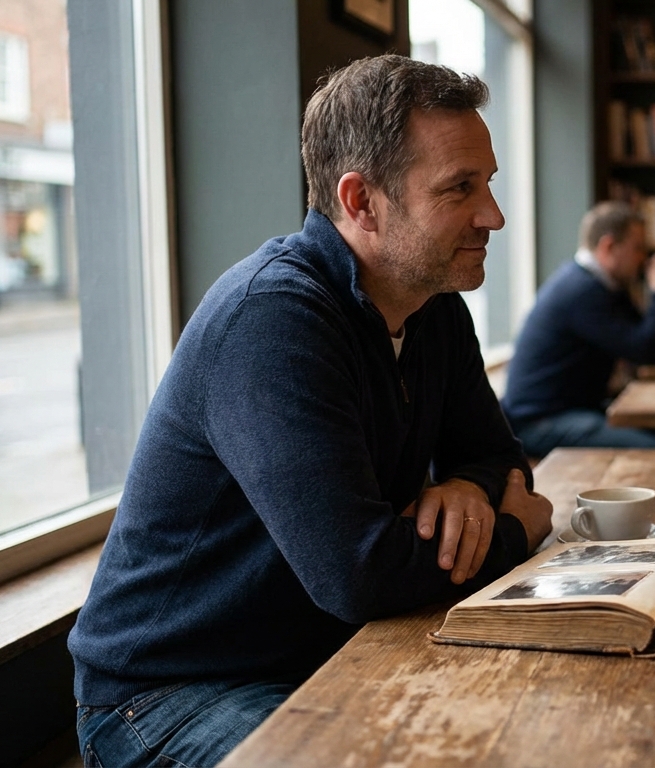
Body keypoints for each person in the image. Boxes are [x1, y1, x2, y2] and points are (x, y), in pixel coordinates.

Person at [68, 55, 553, 767]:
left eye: (488, 184)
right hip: (169, 695)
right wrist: (511, 530)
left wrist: (468, 490)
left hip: (326, 652)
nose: (494, 216)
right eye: (460, 189)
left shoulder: (433, 305)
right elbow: (358, 574)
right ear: (362, 202)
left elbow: (500, 457)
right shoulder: (274, 320)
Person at [502, 201, 655, 456]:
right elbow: (646, 350)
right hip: (540, 421)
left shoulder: (601, 285)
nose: (644, 259)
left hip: (573, 410)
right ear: (608, 247)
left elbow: (649, 342)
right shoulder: (582, 291)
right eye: (638, 249)